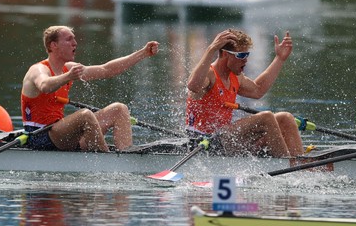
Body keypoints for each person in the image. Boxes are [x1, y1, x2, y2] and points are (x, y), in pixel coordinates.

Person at [21, 25, 159, 152]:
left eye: (74, 39)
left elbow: (106, 70)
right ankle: (107, 161)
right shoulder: (38, 69)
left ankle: (126, 156)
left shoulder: (68, 68)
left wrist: (143, 53)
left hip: (62, 135)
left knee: (119, 109)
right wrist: (68, 76)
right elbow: (44, 86)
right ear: (53, 45)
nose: (75, 43)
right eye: (69, 40)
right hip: (39, 136)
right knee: (85, 115)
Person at [185, 28, 303, 157]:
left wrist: (279, 59)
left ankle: (300, 162)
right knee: (266, 117)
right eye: (241, 55)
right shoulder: (209, 74)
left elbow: (258, 90)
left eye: (247, 55)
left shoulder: (236, 77)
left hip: (226, 138)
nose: (245, 60)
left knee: (285, 118)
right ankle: (286, 164)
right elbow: (193, 86)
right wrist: (211, 49)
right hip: (204, 140)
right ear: (225, 54)